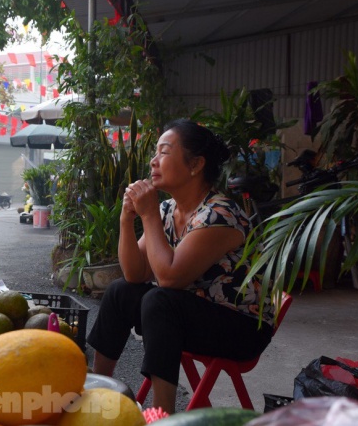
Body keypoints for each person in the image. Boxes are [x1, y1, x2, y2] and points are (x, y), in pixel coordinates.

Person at [86, 119, 274, 413]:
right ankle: (95, 393)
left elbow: (170, 278)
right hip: (191, 313)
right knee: (121, 291)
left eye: (164, 152)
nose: (153, 161)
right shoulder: (167, 210)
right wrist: (126, 219)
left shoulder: (220, 214)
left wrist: (147, 216)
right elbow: (135, 274)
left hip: (240, 327)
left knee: (160, 300)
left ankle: (162, 415)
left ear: (196, 165)